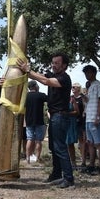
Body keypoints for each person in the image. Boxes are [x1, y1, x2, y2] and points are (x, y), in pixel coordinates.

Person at [17, 53, 75, 189]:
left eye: (57, 63)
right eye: (53, 62)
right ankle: (56, 175)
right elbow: (41, 76)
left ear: (64, 65)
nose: (53, 65)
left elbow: (46, 81)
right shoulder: (54, 75)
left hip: (60, 116)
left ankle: (69, 179)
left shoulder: (64, 78)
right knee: (54, 148)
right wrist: (26, 70)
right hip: (55, 116)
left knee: (60, 147)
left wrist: (28, 70)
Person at [82, 65, 100, 175]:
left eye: (89, 73)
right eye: (86, 73)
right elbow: (89, 101)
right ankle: (91, 165)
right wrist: (84, 97)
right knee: (90, 142)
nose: (87, 75)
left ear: (94, 73)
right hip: (89, 117)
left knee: (99, 142)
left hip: (95, 118)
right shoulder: (90, 86)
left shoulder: (99, 85)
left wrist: (98, 116)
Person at [24, 80, 48, 164]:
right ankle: (37, 158)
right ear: (35, 86)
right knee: (38, 140)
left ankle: (27, 158)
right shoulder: (41, 95)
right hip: (39, 120)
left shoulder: (25, 96)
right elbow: (49, 100)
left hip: (29, 121)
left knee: (29, 139)